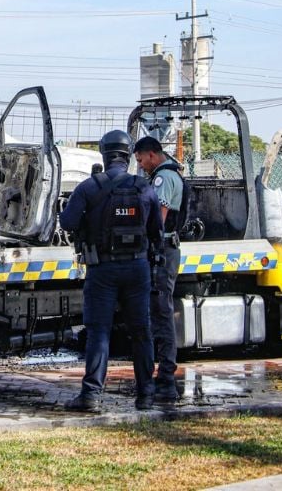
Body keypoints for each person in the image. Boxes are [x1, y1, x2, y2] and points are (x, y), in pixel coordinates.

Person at [59, 129, 162, 413]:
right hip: (138, 268)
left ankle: (91, 396)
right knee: (142, 332)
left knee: (99, 332)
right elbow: (157, 231)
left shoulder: (88, 187)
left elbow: (67, 223)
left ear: (104, 155)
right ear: (128, 155)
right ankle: (146, 395)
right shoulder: (145, 188)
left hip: (102, 269)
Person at [132, 136, 184, 398]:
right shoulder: (166, 175)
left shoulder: (163, 178)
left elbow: (158, 220)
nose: (140, 165)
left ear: (152, 155)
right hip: (163, 251)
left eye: (141, 160)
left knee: (162, 314)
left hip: (162, 251)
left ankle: (166, 380)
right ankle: (162, 376)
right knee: (158, 313)